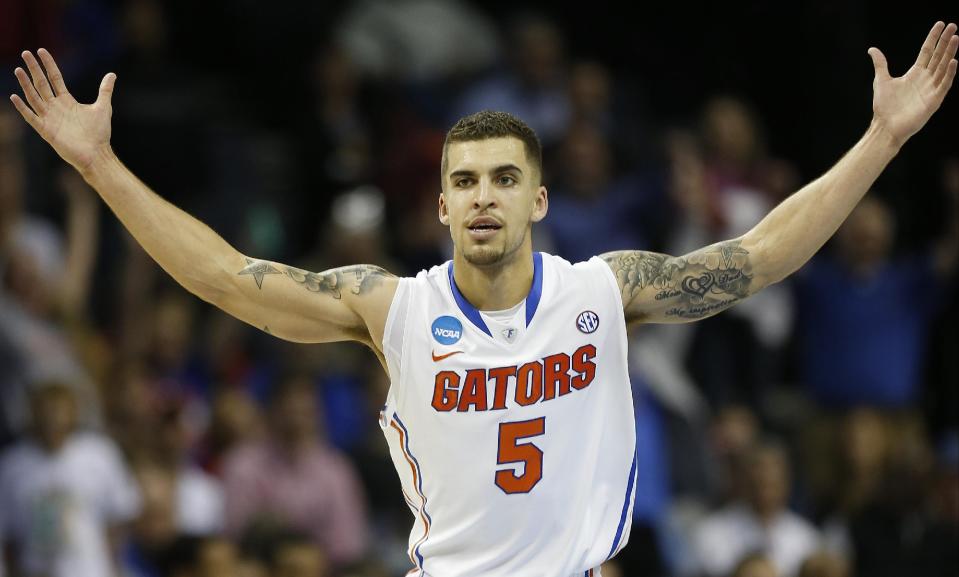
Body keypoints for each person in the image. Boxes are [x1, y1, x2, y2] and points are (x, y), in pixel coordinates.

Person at [7, 21, 957, 576]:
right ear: (440, 202)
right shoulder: (392, 308)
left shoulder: (603, 290)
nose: (484, 197)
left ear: (537, 198)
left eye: (504, 179)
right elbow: (224, 276)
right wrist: (97, 166)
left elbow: (755, 257)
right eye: (465, 182)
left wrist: (879, 140)